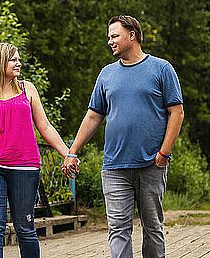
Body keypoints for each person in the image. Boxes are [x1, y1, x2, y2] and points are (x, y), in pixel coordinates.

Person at [62, 15, 184, 258]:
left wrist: (164, 154)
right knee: (118, 229)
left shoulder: (161, 68)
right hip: (115, 166)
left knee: (152, 227)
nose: (110, 41)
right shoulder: (106, 75)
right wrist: (72, 151)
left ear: (132, 35)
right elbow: (93, 117)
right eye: (109, 37)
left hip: (151, 163)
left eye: (114, 35)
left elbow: (177, 113)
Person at [0, 42, 74, 258]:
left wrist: (68, 153)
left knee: (25, 227)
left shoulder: (27, 89)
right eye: (13, 59)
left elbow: (45, 126)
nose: (18, 63)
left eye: (18, 59)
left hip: (26, 167)